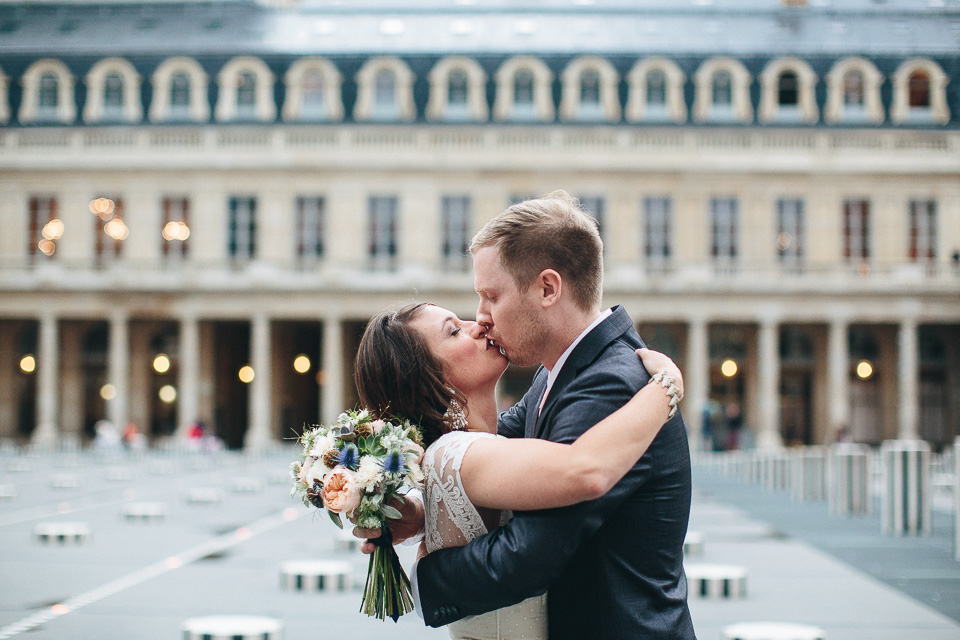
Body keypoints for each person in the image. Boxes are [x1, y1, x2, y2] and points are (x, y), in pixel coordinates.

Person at [411, 191, 695, 639]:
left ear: (548, 288)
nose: (481, 317)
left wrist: (423, 580)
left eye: (491, 296)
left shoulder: (613, 383)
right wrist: (409, 502)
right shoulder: (556, 374)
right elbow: (486, 448)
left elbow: (531, 553)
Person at [354, 302, 684, 639]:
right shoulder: (461, 453)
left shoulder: (473, 441)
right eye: (454, 331)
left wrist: (420, 512)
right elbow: (583, 469)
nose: (479, 322)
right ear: (430, 383)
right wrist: (667, 388)